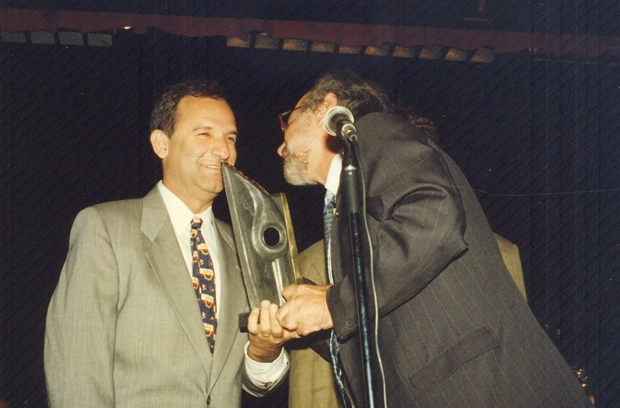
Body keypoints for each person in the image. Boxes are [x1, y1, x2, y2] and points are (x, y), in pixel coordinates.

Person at [275, 71, 589, 407]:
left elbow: (433, 218)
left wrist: (333, 304)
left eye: (287, 120)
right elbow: (389, 314)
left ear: (327, 106)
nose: (280, 143)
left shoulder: (372, 131)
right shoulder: (346, 206)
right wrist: (298, 315)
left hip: (483, 389)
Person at [44, 80, 290, 407]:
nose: (223, 150)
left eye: (230, 138)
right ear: (162, 144)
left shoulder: (244, 247)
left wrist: (264, 351)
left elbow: (250, 384)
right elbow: (76, 370)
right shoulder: (105, 229)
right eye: (204, 134)